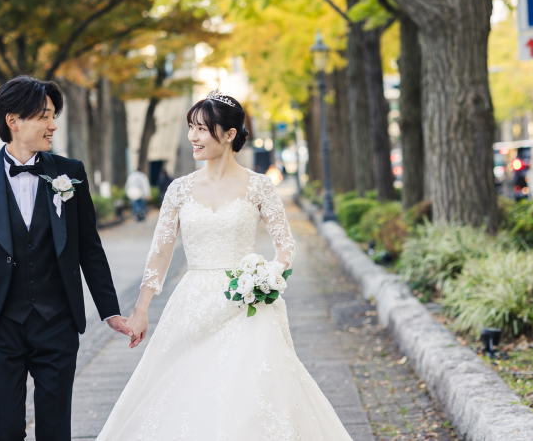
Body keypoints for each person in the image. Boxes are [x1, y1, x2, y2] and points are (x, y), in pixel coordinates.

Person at [97, 90, 353, 439]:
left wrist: (263, 279)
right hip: (193, 303)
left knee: (249, 392)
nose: (192, 137)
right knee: (188, 391)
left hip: (247, 306)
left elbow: (286, 247)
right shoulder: (179, 189)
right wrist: (141, 309)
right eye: (191, 128)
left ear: (230, 134)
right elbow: (160, 252)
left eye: (202, 129)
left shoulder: (260, 187)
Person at [0, 76, 132, 441]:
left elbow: (88, 248)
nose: (53, 125)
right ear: (13, 120)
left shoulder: (70, 172)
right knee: (4, 429)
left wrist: (110, 310)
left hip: (57, 324)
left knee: (55, 430)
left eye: (54, 116)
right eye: (44, 117)